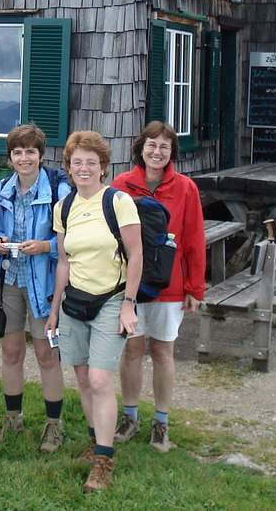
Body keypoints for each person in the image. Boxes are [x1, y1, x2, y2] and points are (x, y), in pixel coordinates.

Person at [46, 131, 142, 493]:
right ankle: (94, 440)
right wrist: (55, 309)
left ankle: (104, 460)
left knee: (101, 380)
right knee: (84, 378)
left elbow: (136, 255)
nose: (83, 168)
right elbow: (63, 262)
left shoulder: (118, 202)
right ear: (68, 167)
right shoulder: (64, 207)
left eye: (91, 162)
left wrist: (129, 303)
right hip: (74, 302)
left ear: (103, 166)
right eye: (77, 162)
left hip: (112, 300)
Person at [111, 121, 205, 453]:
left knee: (163, 351)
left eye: (164, 147)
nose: (157, 152)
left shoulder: (186, 189)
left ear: (172, 153)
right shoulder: (122, 185)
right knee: (132, 350)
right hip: (131, 286)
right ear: (141, 148)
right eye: (152, 145)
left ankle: (161, 422)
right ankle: (130, 416)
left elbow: (195, 239)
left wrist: (195, 288)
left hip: (170, 285)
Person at [0, 124, 70, 452]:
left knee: (45, 353)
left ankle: (54, 424)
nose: (25, 158)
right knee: (11, 351)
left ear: (41, 155)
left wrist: (45, 247)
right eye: (18, 152)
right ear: (10, 158)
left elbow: (70, 240)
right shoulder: (1, 191)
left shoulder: (58, 192)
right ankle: (13, 417)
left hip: (44, 284)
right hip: (10, 281)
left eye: (31, 152)